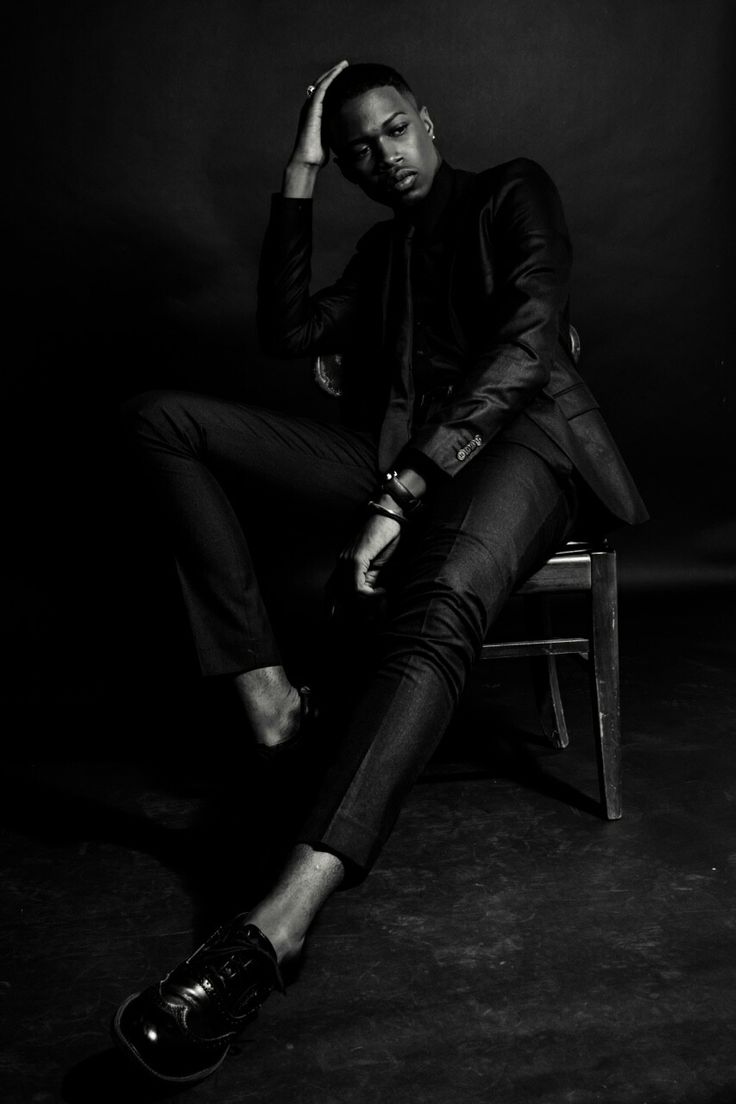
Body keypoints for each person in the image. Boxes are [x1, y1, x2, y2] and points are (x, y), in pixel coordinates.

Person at [112, 60, 647, 1083]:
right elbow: (286, 332)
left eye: (394, 131)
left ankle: (273, 929)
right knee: (159, 420)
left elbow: (529, 341)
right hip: (398, 451)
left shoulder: (510, 192)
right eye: (357, 149)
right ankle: (266, 692)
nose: (382, 157)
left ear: (429, 122)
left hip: (521, 448)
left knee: (436, 605)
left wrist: (399, 491)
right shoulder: (384, 250)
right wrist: (297, 174)